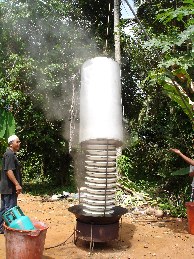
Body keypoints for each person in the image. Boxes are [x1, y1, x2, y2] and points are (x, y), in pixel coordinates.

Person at [0, 135, 22, 234]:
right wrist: (17, 184)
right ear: (11, 144)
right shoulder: (9, 154)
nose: (19, 143)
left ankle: (1, 228)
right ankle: (8, 230)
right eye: (17, 142)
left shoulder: (10, 154)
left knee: (4, 208)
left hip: (7, 188)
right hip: (9, 188)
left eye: (19, 142)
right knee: (10, 210)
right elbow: (9, 171)